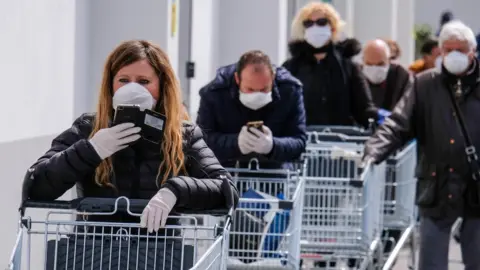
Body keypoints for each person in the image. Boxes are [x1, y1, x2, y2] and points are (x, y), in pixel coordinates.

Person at [22, 40, 239, 234]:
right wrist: (90, 150)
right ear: (111, 85)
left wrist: (176, 190)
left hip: (159, 256)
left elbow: (226, 190)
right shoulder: (88, 128)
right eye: (123, 80)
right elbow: (37, 186)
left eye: (144, 81)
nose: (132, 88)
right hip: (92, 254)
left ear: (162, 87)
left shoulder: (183, 135)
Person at [362, 21, 480, 270]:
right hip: (436, 185)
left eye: (461, 49)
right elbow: (398, 123)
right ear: (440, 51)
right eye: (448, 50)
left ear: (472, 51)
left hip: (475, 186)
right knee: (431, 263)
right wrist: (373, 151)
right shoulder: (425, 84)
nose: (454, 55)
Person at [196, 50, 307, 170]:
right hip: (227, 174)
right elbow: (202, 142)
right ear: (237, 79)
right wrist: (235, 143)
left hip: (275, 175)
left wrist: (273, 146)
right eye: (250, 89)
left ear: (273, 77)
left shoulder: (290, 90)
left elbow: (299, 142)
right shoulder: (214, 93)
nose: (257, 94)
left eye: (264, 89)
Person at [282, 2, 384, 128]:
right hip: (302, 139)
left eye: (321, 22)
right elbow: (281, 106)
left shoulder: (349, 67)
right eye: (308, 23)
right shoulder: (291, 68)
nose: (315, 27)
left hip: (341, 141)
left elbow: (364, 109)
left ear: (333, 27)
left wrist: (386, 121)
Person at [362, 39, 412, 111]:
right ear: (363, 60)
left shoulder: (401, 77)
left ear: (388, 60)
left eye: (380, 64)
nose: (374, 68)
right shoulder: (355, 76)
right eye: (369, 64)